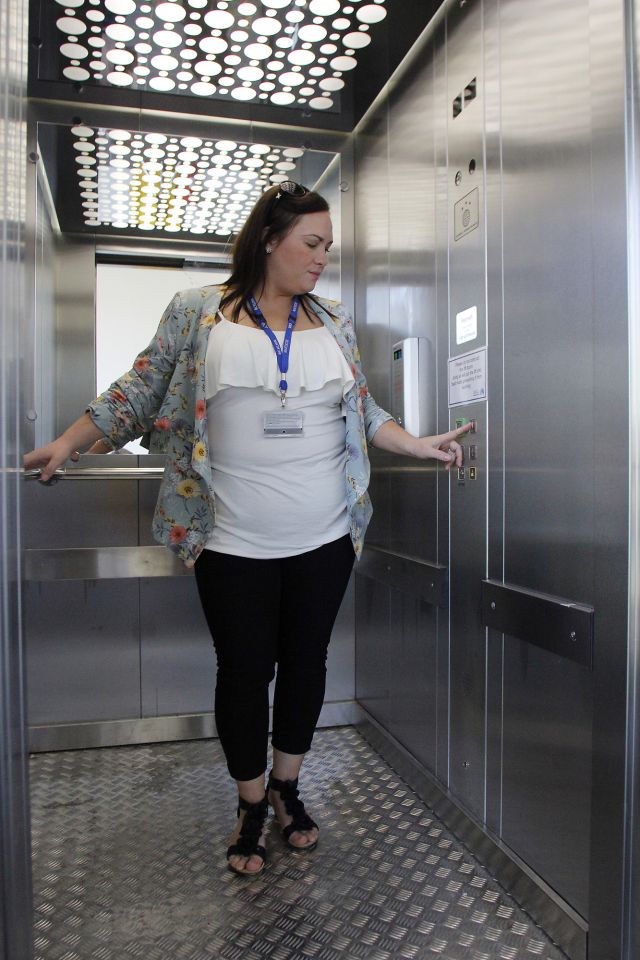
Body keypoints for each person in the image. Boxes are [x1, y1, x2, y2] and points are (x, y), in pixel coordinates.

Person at [24, 180, 470, 878]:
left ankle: (290, 785)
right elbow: (138, 390)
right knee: (242, 671)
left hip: (325, 535)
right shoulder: (198, 312)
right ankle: (250, 802)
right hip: (230, 539)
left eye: (328, 247)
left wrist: (416, 444)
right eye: (311, 244)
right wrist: (68, 442)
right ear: (269, 239)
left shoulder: (335, 320)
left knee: (306, 663)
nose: (322, 258)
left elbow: (361, 407)